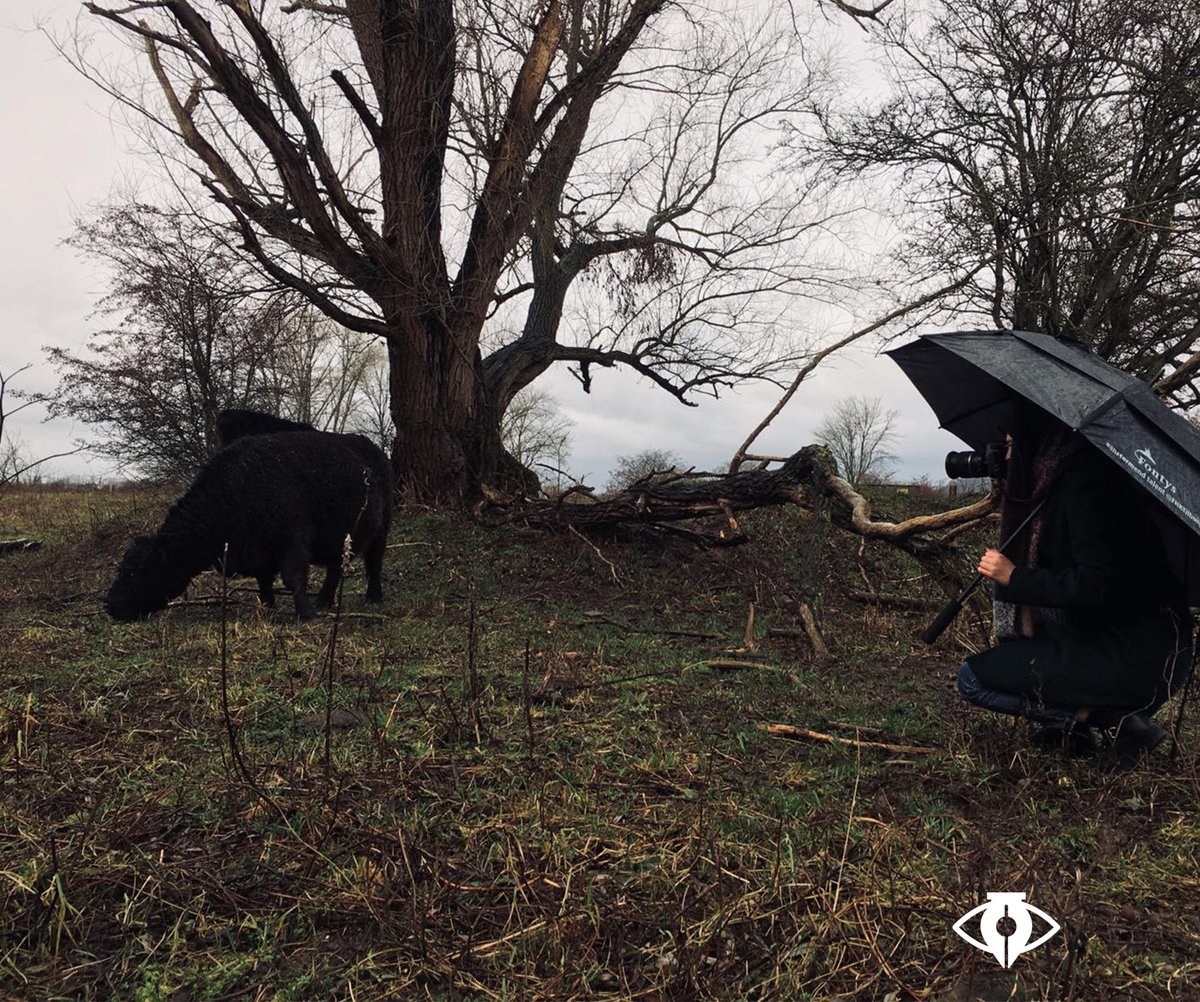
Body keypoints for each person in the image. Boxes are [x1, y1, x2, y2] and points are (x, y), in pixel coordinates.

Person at [955, 404, 1191, 762]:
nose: (1006, 456)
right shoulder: (1068, 478)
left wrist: (1014, 577)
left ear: (1034, 440)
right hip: (1132, 640)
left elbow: (1097, 585)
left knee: (971, 679)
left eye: (1011, 445)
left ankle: (1112, 720)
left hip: (1137, 656)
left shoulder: (1088, 489)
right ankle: (1071, 729)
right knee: (1044, 618)